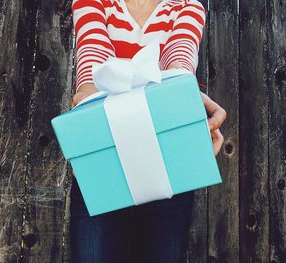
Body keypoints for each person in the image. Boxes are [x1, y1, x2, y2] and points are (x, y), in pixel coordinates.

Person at [69, 0, 227, 262]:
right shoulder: (93, 3)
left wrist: (184, 95)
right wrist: (167, 96)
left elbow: (178, 65)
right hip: (103, 171)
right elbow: (91, 76)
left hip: (167, 172)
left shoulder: (187, 7)